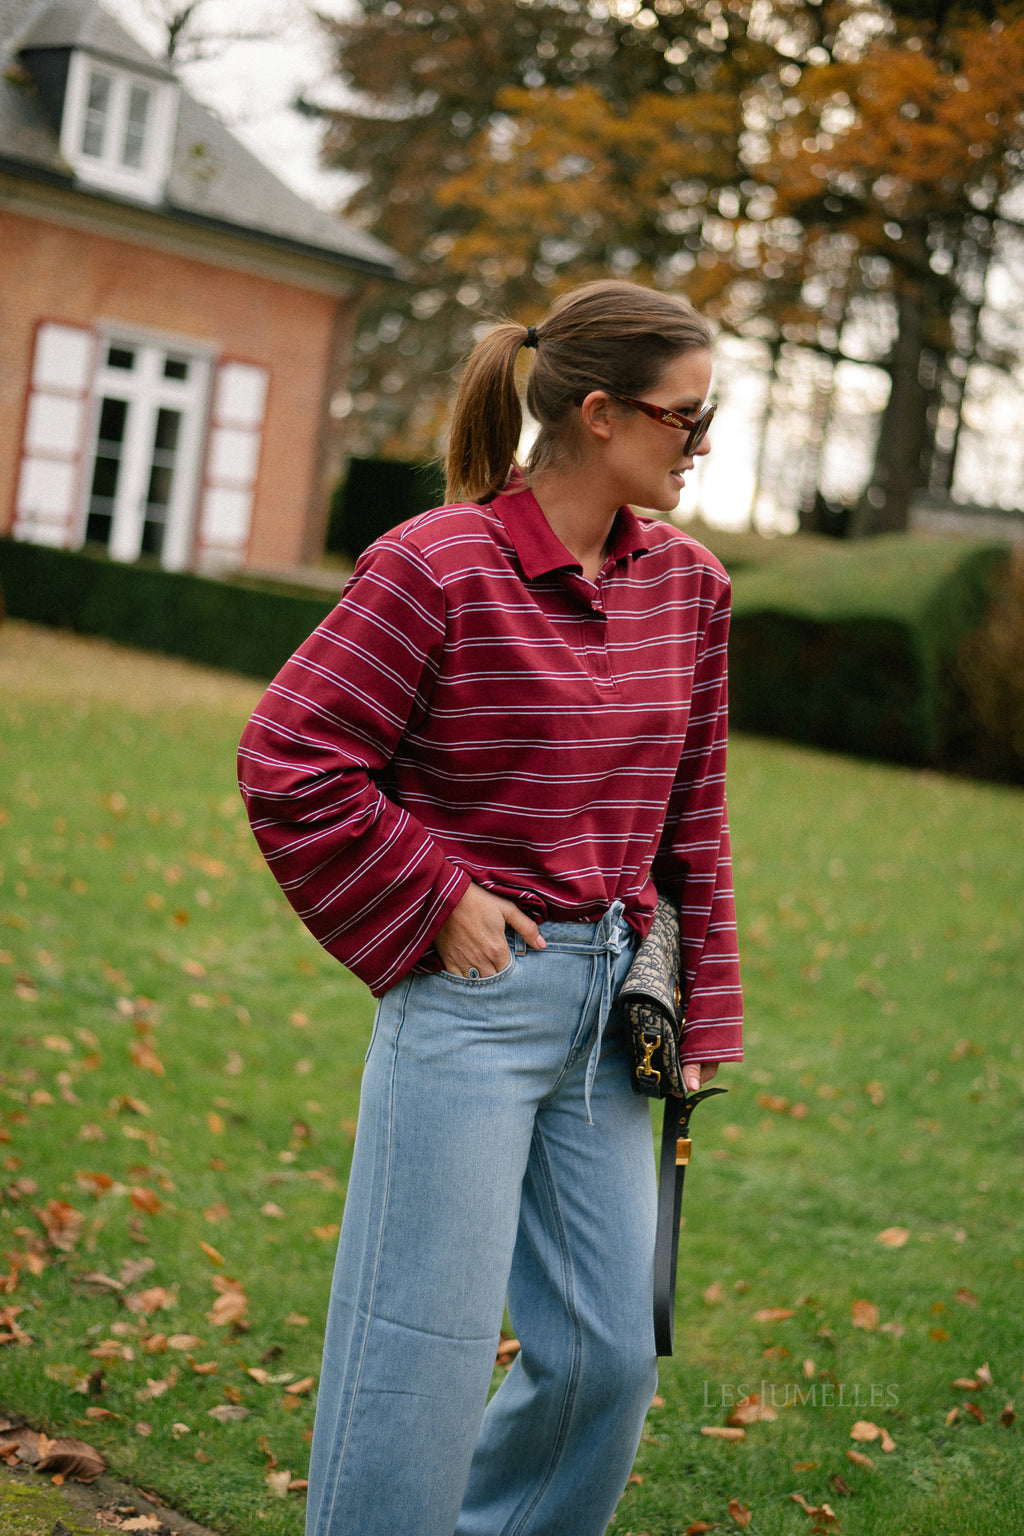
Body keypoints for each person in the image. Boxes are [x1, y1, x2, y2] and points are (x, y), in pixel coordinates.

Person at [237, 278, 743, 1536]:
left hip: (616, 1007)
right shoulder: (436, 565)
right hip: (472, 1000)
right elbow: (290, 754)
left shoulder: (690, 588)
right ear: (599, 412)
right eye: (691, 418)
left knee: (610, 1358)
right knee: (419, 1353)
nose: (703, 444)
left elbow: (695, 821)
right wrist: (438, 892)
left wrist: (703, 1022)